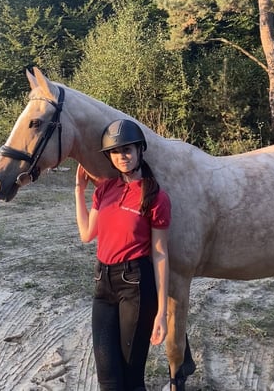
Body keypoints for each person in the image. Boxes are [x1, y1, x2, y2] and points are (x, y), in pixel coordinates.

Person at [74, 119, 171, 391]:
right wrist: (79, 190)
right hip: (102, 285)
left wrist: (162, 312)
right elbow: (86, 234)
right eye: (116, 152)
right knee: (108, 379)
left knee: (131, 379)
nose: (123, 156)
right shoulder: (104, 189)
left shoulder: (154, 196)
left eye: (128, 149)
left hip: (136, 286)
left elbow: (160, 253)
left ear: (140, 150)